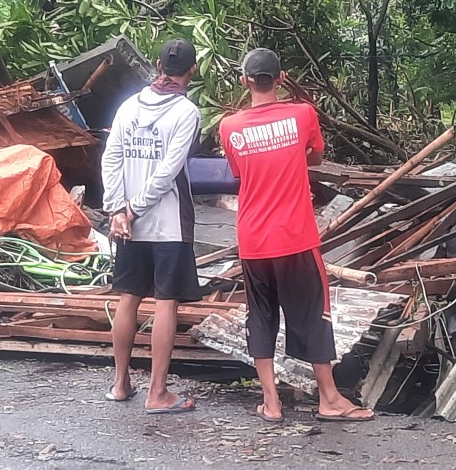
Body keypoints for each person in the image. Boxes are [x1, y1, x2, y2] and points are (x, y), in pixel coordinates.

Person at [220, 48, 374, 423]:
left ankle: (271, 404)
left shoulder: (229, 126)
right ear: (282, 78)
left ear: (244, 82)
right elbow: (316, 158)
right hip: (295, 237)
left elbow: (240, 174)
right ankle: (329, 399)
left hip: (253, 239)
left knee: (260, 317)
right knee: (312, 315)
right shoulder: (302, 114)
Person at [101, 38, 203, 414]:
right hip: (167, 224)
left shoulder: (128, 107)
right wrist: (132, 209)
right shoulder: (186, 111)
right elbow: (168, 171)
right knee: (165, 304)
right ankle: (157, 393)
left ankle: (120, 383)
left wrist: (117, 210)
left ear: (158, 66)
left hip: (128, 225)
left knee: (128, 297)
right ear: (191, 71)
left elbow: (110, 159)